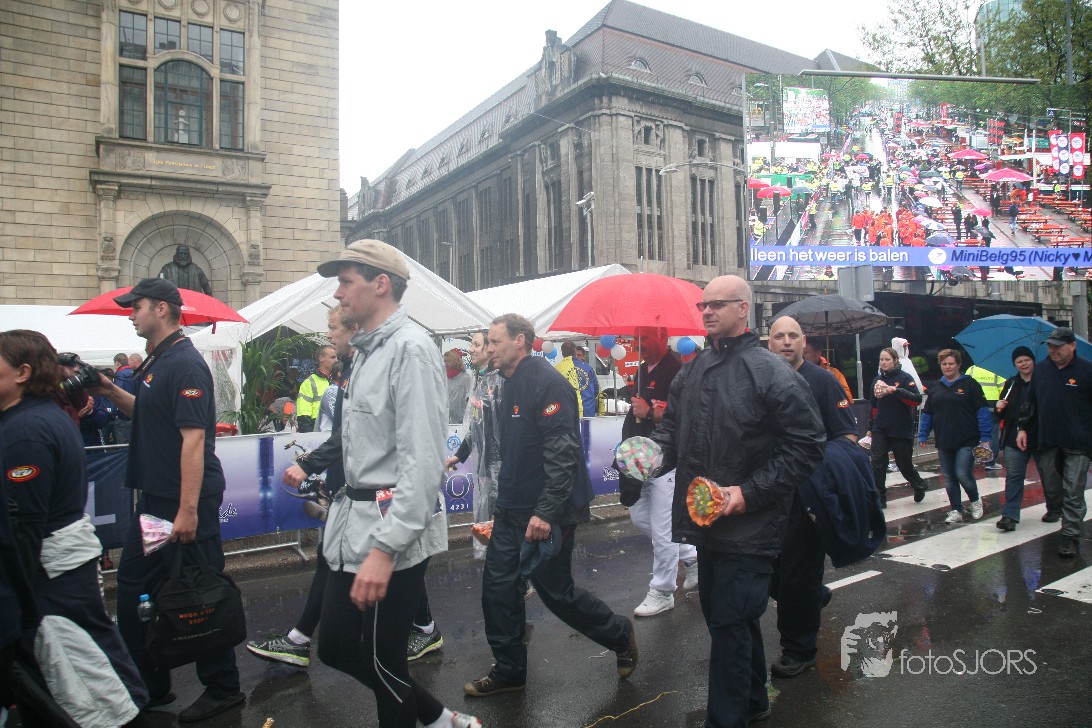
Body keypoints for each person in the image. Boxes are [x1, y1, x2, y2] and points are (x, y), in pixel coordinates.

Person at [315, 240, 480, 728]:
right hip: (353, 526)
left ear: (380, 284)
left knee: (384, 661)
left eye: (346, 282)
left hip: (391, 530)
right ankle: (441, 719)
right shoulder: (366, 351)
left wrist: (385, 550)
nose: (338, 293)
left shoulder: (411, 349)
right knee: (336, 645)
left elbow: (424, 463)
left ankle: (433, 720)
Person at [648, 276, 824, 727]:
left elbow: (806, 445)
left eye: (717, 305)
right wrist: (646, 456)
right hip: (706, 523)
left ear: (743, 308)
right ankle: (753, 700)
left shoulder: (770, 371)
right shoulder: (693, 369)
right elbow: (672, 434)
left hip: (752, 526)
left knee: (729, 619)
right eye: (703, 305)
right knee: (728, 616)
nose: (706, 312)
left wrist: (749, 493)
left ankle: (727, 718)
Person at [91, 278, 244, 723]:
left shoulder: (185, 363)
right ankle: (149, 683)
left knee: (201, 588)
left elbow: (193, 440)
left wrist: (188, 510)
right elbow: (148, 412)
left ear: (161, 309)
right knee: (135, 587)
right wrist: (108, 390)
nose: (130, 314)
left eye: (135, 306)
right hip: (157, 501)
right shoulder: (157, 362)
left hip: (184, 501)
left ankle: (223, 688)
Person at [465, 313, 637, 698]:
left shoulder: (547, 383)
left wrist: (544, 513)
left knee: (556, 593)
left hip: (549, 511)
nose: (489, 349)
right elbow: (510, 452)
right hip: (511, 510)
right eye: (487, 343)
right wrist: (500, 507)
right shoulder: (505, 384)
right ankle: (509, 671)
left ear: (520, 341)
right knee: (498, 589)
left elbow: (562, 454)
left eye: (495, 342)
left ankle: (619, 634)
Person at [0, 330, 149, 726]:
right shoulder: (33, 417)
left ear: (22, 372)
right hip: (57, 574)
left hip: (49, 580)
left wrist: (12, 606)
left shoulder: (27, 429)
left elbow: (22, 529)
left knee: (93, 695)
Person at [246, 307, 359, 669]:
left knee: (387, 566)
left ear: (354, 329)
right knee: (332, 559)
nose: (327, 336)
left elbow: (352, 433)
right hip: (348, 485)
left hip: (367, 490)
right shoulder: (349, 372)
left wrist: (309, 464)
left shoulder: (366, 370)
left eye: (332, 327)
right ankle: (299, 639)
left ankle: (415, 633)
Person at [766, 317, 856, 679]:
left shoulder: (823, 381)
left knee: (798, 575)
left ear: (804, 342)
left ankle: (798, 649)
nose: (786, 341)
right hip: (767, 495)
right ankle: (813, 597)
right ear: (769, 343)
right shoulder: (760, 379)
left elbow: (847, 436)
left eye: (793, 336)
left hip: (806, 497)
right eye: (779, 336)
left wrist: (817, 473)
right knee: (769, 572)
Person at [620, 326, 697, 618]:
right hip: (639, 461)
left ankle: (663, 590)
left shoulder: (677, 371)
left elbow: (682, 415)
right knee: (639, 517)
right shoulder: (642, 369)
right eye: (636, 338)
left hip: (667, 461)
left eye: (645, 338)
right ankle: (692, 555)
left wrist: (649, 411)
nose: (638, 343)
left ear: (662, 337)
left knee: (664, 529)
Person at [1016, 328, 1092, 558]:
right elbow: (1030, 402)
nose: (1053, 350)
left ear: (1072, 346)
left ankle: (1069, 535)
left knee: (1073, 491)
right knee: (1052, 489)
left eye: (1058, 346)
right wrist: (1023, 428)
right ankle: (1064, 514)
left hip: (1078, 442)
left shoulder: (1086, 370)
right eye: (1050, 346)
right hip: (1047, 440)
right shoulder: (1042, 370)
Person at [918, 349, 991, 525]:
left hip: (967, 438)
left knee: (962, 473)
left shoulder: (970, 384)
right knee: (949, 477)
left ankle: (975, 501)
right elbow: (928, 413)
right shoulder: (936, 388)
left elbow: (982, 412)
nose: (947, 367)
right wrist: (922, 434)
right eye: (944, 364)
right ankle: (956, 509)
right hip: (944, 439)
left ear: (958, 365)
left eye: (951, 363)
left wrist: (985, 437)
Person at [867, 347, 927, 506]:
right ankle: (880, 497)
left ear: (895, 361)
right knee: (878, 462)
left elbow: (916, 400)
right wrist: (870, 427)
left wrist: (896, 391)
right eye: (881, 359)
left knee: (903, 463)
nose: (883, 362)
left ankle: (918, 484)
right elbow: (874, 406)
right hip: (881, 427)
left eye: (887, 359)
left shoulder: (905, 378)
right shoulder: (877, 380)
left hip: (901, 427)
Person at [995, 346, 1038, 532]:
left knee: (1049, 476)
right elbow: (1002, 413)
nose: (1024, 364)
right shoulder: (1011, 383)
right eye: (1019, 361)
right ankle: (1009, 516)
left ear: (1033, 361)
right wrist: (999, 408)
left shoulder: (1042, 382)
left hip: (1039, 437)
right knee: (1014, 476)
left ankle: (1055, 508)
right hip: (1013, 438)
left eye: (1027, 360)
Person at [294, 344, 336, 433]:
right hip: (318, 432)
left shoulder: (341, 380)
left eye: (337, 357)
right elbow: (303, 415)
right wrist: (309, 437)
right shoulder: (309, 383)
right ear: (321, 358)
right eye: (332, 357)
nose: (336, 360)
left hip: (338, 431)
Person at [109, 352, 138, 444]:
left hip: (123, 416)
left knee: (123, 445)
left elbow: (116, 394)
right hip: (135, 414)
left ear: (117, 363)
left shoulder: (120, 374)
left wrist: (113, 413)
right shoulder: (135, 373)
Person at [553, 343, 586, 418]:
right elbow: (596, 390)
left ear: (562, 353)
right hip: (583, 411)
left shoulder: (556, 369)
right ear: (574, 352)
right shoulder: (588, 368)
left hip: (563, 412)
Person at [569, 342, 600, 416]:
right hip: (583, 407)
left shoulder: (589, 369)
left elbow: (596, 388)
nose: (577, 357)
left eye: (579, 355)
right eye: (576, 355)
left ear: (583, 356)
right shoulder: (588, 368)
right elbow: (596, 390)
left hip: (585, 407)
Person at [443, 349, 473, 424]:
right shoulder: (444, 377)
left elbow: (469, 398)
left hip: (461, 420)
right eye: (444, 361)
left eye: (448, 361)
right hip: (446, 419)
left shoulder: (466, 378)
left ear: (455, 361)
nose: (446, 363)